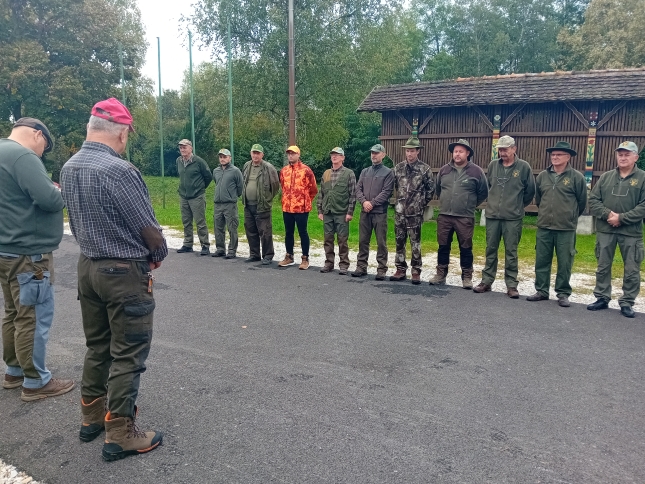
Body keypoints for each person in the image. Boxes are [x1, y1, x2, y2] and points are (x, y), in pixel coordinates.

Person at [60, 98, 167, 461]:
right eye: (127, 134)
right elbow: (148, 228)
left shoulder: (70, 166)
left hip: (87, 266)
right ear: (121, 132)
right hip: (122, 272)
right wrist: (157, 256)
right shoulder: (119, 170)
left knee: (98, 345)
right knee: (129, 352)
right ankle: (120, 433)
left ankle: (91, 417)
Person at [0, 117, 74, 402]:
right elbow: (50, 200)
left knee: (13, 313)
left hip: (6, 249)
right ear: (37, 134)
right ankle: (35, 381)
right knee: (32, 316)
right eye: (45, 144)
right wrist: (57, 190)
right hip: (28, 254)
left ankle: (14, 371)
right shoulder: (22, 156)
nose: (43, 151)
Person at [587, 141, 645, 318]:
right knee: (603, 266)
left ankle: (627, 302)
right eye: (620, 154)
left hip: (631, 232)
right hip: (606, 230)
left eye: (627, 154)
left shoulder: (642, 177)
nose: (623, 157)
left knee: (632, 268)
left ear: (636, 157)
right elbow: (593, 200)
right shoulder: (606, 177)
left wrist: (622, 218)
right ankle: (602, 297)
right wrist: (608, 215)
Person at [473, 136, 535, 298]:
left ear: (514, 149)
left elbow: (530, 191)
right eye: (500, 149)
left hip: (513, 217)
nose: (502, 152)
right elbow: (488, 187)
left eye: (505, 149)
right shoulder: (493, 165)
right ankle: (486, 281)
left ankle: (511, 284)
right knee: (490, 249)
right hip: (493, 215)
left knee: (511, 251)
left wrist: (517, 205)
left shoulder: (523, 167)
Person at [526, 141, 587, 307]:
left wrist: (570, 216)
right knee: (542, 260)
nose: (555, 157)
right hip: (544, 226)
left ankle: (563, 293)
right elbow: (539, 199)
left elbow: (582, 202)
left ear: (568, 157)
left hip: (565, 227)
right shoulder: (543, 176)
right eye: (553, 154)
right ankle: (541, 290)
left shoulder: (576, 177)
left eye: (559, 154)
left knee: (565, 262)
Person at [429, 139, 488, 289]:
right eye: (455, 151)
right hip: (445, 215)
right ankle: (441, 274)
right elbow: (438, 190)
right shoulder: (444, 170)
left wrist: (469, 204)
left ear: (467, 153)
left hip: (465, 217)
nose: (457, 154)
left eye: (461, 151)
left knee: (466, 247)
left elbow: (483, 192)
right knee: (443, 246)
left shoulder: (476, 171)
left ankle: (467, 276)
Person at [390, 137, 435, 285]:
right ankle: (400, 269)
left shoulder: (425, 169)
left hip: (415, 213)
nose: (409, 154)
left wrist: (420, 203)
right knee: (399, 242)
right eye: (407, 151)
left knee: (415, 243)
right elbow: (394, 186)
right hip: (399, 212)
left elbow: (431, 190)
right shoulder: (398, 168)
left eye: (412, 151)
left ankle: (416, 271)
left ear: (418, 151)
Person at [352, 144, 394, 280]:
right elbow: (358, 189)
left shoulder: (388, 172)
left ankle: (381, 268)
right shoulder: (365, 171)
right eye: (372, 153)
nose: (373, 155)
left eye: (376, 153)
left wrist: (372, 203)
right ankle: (361, 266)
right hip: (365, 212)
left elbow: (387, 192)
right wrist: (364, 202)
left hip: (379, 212)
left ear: (383, 155)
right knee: (363, 240)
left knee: (381, 242)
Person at [317, 147, 357, 275]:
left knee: (342, 240)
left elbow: (353, 194)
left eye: (337, 155)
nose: (334, 157)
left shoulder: (349, 173)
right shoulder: (326, 173)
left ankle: (344, 264)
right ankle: (329, 263)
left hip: (341, 212)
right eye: (332, 154)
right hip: (327, 212)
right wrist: (320, 211)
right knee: (328, 239)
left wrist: (350, 212)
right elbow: (321, 193)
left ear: (343, 158)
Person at [278, 145, 318, 270]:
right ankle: (289, 256)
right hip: (287, 208)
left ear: (298, 155)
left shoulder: (306, 170)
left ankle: (305, 258)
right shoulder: (284, 171)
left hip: (301, 208)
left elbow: (313, 189)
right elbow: (283, 187)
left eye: (293, 153)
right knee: (288, 233)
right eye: (289, 153)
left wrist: (305, 201)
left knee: (303, 233)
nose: (291, 155)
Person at [241, 144, 280, 264]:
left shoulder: (268, 167)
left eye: (258, 153)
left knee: (265, 231)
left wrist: (266, 199)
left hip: (262, 206)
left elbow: (275, 186)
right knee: (250, 230)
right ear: (251, 153)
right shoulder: (247, 165)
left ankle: (268, 255)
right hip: (248, 205)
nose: (255, 155)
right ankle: (254, 254)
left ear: (262, 154)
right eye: (254, 152)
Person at [175, 139, 212, 255]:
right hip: (183, 196)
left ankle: (205, 245)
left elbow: (208, 176)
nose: (182, 149)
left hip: (197, 196)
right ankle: (187, 244)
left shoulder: (199, 161)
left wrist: (199, 188)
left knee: (200, 222)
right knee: (186, 221)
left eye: (184, 147)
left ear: (191, 148)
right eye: (181, 147)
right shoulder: (178, 161)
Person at [212, 148, 243, 259]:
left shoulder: (235, 171)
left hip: (230, 204)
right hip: (217, 204)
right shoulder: (216, 171)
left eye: (225, 157)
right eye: (220, 157)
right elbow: (216, 182)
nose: (222, 159)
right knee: (218, 228)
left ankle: (232, 250)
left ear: (229, 158)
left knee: (232, 227)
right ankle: (220, 249)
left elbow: (240, 187)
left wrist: (232, 196)